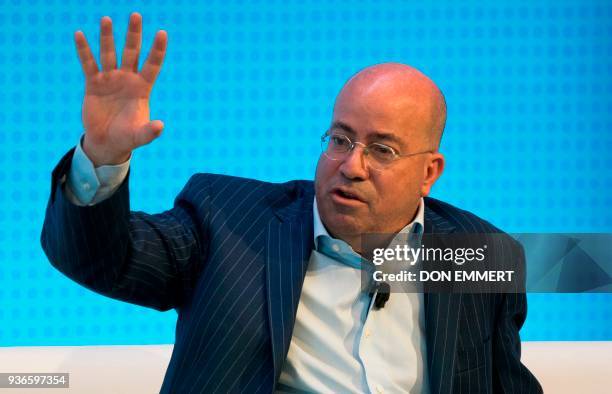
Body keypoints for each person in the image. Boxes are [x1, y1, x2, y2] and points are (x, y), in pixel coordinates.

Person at [41, 13, 542, 394]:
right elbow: (103, 259)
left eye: (382, 150)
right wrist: (103, 157)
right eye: (341, 139)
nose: (352, 165)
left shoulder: (478, 257)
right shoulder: (230, 220)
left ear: (429, 172)